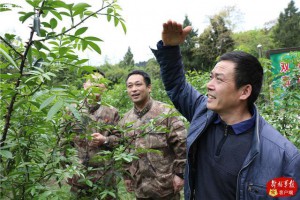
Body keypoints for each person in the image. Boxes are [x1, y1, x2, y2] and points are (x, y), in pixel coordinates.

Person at [151, 20, 300, 200]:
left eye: (219, 79)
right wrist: (170, 49)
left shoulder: (283, 156)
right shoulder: (203, 114)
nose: (209, 85)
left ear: (245, 91)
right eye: (211, 77)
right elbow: (178, 86)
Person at [118, 70, 187, 200]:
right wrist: (127, 176)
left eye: (138, 84)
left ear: (149, 87)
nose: (134, 89)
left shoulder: (166, 113)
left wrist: (180, 174)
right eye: (130, 86)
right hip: (140, 187)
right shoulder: (125, 120)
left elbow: (182, 144)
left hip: (166, 187)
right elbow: (124, 151)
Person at [65, 72, 120, 199]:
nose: (95, 85)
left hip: (105, 176)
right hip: (78, 176)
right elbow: (63, 143)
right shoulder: (72, 110)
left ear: (104, 87)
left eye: (99, 82)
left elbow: (120, 140)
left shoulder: (112, 112)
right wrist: (66, 170)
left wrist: (105, 140)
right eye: (92, 81)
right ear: (85, 85)